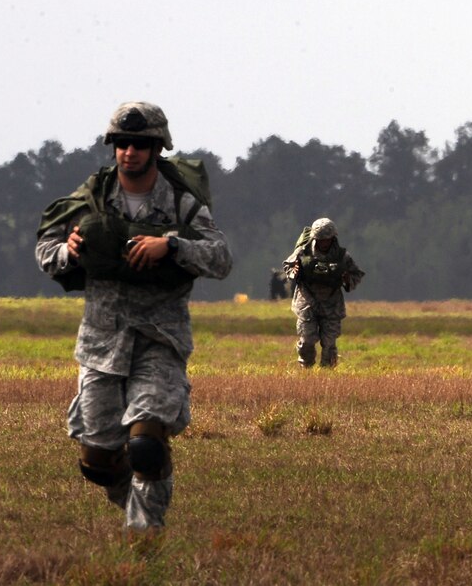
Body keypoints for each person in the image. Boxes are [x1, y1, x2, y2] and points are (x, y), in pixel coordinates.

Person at [35, 102, 233, 534]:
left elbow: (221, 259)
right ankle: (139, 507)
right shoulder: (93, 197)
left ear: (157, 148)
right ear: (113, 147)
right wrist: (69, 250)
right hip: (102, 343)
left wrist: (173, 245)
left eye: (141, 144)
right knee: (99, 462)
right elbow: (46, 252)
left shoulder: (181, 203)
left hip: (160, 339)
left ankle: (145, 538)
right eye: (123, 143)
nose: (130, 152)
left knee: (146, 446)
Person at [282, 217, 364, 367]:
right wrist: (294, 271)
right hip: (307, 303)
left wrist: (346, 279)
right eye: (320, 239)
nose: (324, 243)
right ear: (315, 238)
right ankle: (306, 370)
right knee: (307, 341)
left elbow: (356, 274)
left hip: (331, 305)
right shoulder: (303, 252)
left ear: (333, 238)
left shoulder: (342, 256)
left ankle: (327, 377)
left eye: (327, 239)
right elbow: (288, 266)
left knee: (329, 345)